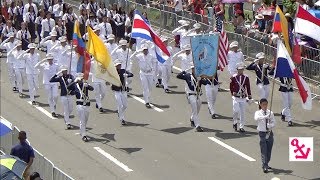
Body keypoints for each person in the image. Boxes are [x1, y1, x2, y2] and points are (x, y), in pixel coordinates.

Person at [68, 73, 94, 142]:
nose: (81, 80)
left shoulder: (85, 84)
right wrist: (74, 81)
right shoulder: (75, 85)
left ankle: (82, 130)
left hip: (87, 104)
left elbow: (92, 89)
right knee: (82, 119)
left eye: (81, 79)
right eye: (79, 79)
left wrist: (87, 85)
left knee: (85, 119)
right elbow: (68, 87)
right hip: (79, 104)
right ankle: (84, 135)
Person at [130, 43, 157, 108]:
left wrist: (153, 72)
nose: (145, 51)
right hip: (143, 73)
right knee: (145, 87)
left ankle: (147, 97)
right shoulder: (139, 56)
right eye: (144, 50)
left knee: (150, 87)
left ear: (148, 50)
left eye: (146, 50)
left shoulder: (151, 56)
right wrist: (137, 51)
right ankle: (146, 101)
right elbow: (131, 57)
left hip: (150, 73)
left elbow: (154, 63)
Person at [254, 98, 275, 173]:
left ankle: (266, 163)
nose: (265, 106)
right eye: (263, 104)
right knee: (264, 150)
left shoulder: (270, 113)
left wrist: (270, 125)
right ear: (260, 105)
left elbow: (274, 122)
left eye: (266, 104)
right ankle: (264, 165)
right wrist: (264, 117)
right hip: (262, 133)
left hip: (269, 133)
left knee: (269, 150)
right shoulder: (258, 112)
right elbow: (256, 118)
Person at [230, 62, 252, 132]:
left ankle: (241, 126)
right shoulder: (233, 77)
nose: (241, 71)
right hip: (236, 97)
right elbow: (231, 86)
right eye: (239, 69)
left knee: (243, 113)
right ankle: (235, 122)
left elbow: (248, 87)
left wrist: (249, 95)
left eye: (242, 69)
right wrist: (232, 92)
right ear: (237, 70)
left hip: (243, 97)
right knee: (236, 111)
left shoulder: (246, 77)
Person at [180, 67, 204, 132]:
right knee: (195, 110)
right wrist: (184, 71)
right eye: (193, 68)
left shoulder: (199, 77)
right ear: (192, 69)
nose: (195, 70)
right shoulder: (188, 76)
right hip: (191, 95)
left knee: (198, 108)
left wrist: (204, 78)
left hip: (198, 95)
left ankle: (192, 118)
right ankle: (197, 126)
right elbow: (178, 76)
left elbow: (205, 82)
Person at [111, 61, 130, 125]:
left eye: (119, 65)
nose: (119, 66)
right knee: (119, 104)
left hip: (123, 90)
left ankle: (120, 112)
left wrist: (127, 75)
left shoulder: (123, 71)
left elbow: (131, 74)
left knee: (125, 105)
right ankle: (122, 119)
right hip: (117, 91)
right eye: (117, 65)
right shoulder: (113, 72)